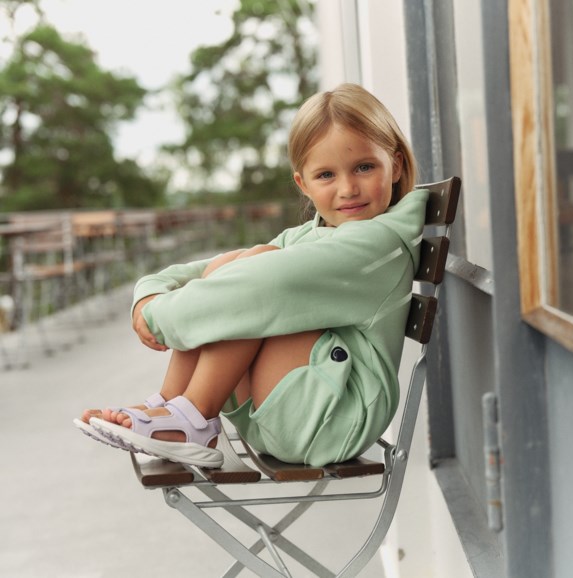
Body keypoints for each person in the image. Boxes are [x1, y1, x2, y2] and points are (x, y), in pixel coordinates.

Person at [74, 83, 426, 468]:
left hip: (333, 418)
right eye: (326, 175)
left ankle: (191, 415)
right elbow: (210, 269)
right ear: (303, 185)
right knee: (239, 267)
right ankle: (173, 408)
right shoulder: (313, 234)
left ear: (396, 165)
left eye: (364, 167)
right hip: (289, 407)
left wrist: (160, 316)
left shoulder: (378, 245)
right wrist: (150, 293)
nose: (347, 188)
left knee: (252, 282)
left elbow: (260, 287)